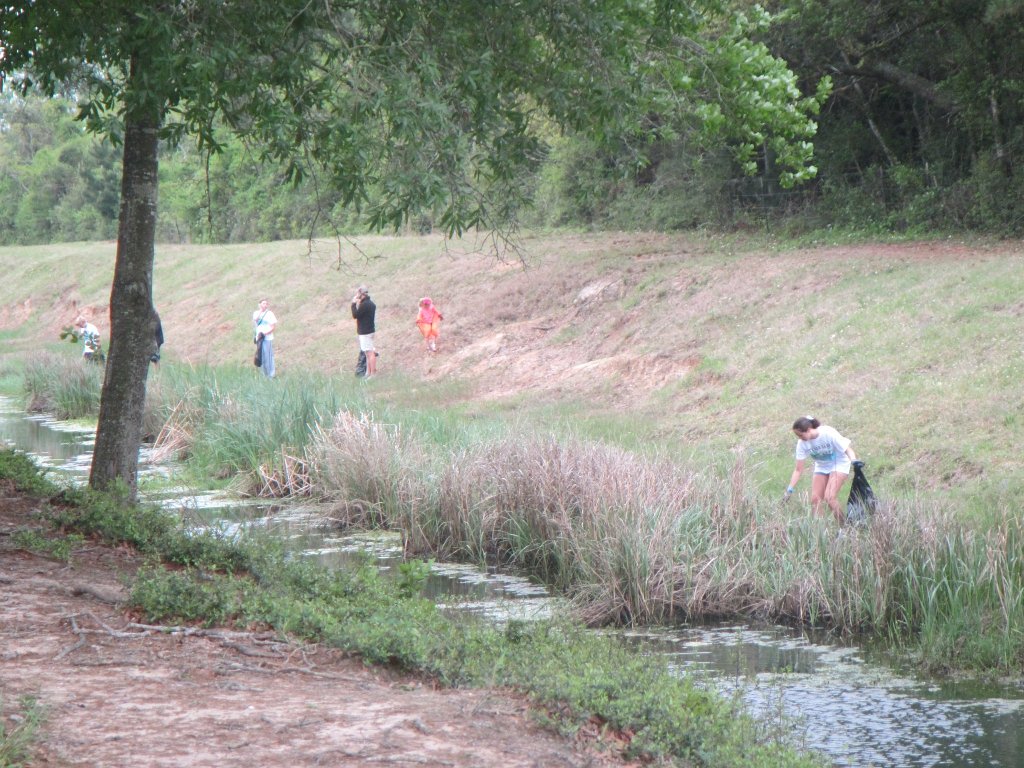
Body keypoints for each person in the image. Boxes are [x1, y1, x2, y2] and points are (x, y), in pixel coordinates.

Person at [783, 415, 857, 524]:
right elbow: (798, 470)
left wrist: (854, 461)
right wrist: (789, 490)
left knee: (829, 497)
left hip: (839, 464)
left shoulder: (828, 433)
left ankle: (845, 526)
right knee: (815, 499)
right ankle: (820, 529)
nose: (799, 438)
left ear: (808, 429)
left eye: (800, 435)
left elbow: (848, 450)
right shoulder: (802, 444)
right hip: (822, 466)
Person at [351, 285, 377, 377]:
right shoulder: (370, 304)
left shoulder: (365, 305)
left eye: (358, 294)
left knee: (370, 353)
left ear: (362, 294)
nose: (357, 295)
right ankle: (368, 373)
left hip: (365, 332)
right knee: (367, 353)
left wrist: (353, 304)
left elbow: (355, 315)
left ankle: (372, 374)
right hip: (369, 331)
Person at [251, 298, 277, 378]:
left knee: (268, 356)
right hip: (259, 338)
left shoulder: (270, 314)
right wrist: (260, 311)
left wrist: (265, 333)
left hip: (267, 338)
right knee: (260, 355)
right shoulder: (256, 313)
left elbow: (273, 327)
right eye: (263, 303)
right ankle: (263, 374)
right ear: (259, 305)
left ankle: (271, 374)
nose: (265, 305)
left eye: (266, 304)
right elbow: (255, 319)